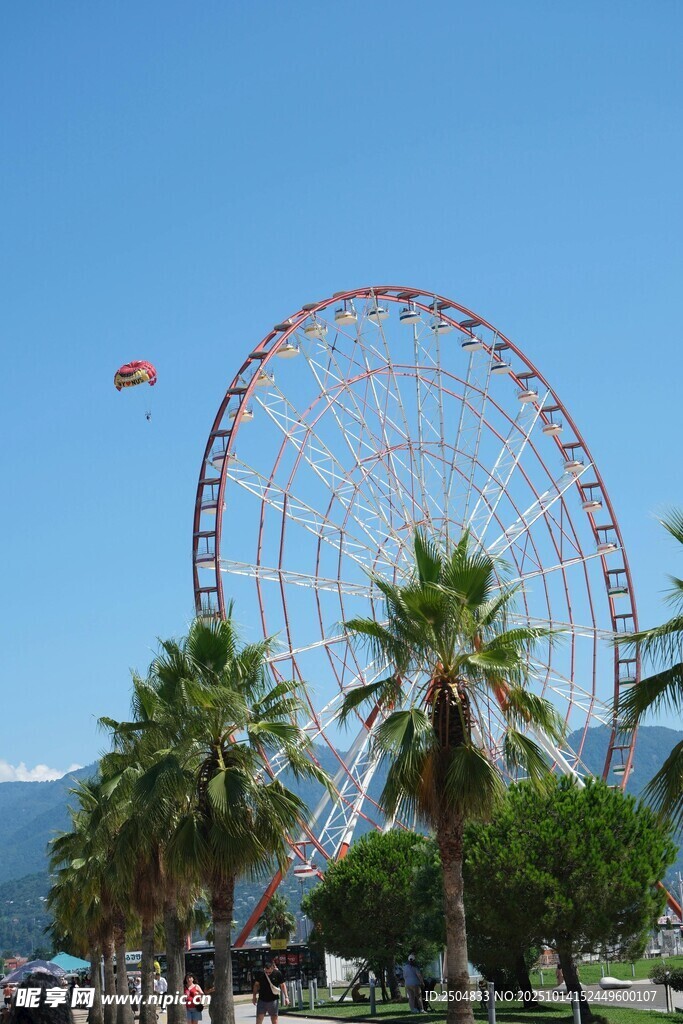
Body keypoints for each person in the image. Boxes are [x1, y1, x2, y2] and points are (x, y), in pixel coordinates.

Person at [252, 959, 289, 1024]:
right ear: (264, 969)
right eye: (266, 972)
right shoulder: (260, 973)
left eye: (269, 972)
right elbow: (256, 985)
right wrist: (254, 997)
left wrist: (286, 997)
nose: (268, 974)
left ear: (272, 969)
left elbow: (283, 985)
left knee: (274, 1020)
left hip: (273, 1000)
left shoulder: (277, 973)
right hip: (262, 999)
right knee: (259, 1019)